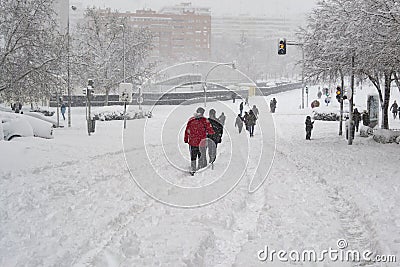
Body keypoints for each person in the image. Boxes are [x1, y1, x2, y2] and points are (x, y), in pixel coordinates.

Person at [184, 107, 215, 175]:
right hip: (202, 143)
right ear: (203, 113)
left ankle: (193, 169)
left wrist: (186, 139)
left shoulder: (191, 120)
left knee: (193, 156)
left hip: (192, 142)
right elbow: (211, 131)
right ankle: (201, 168)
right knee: (201, 155)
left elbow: (187, 131)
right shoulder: (205, 120)